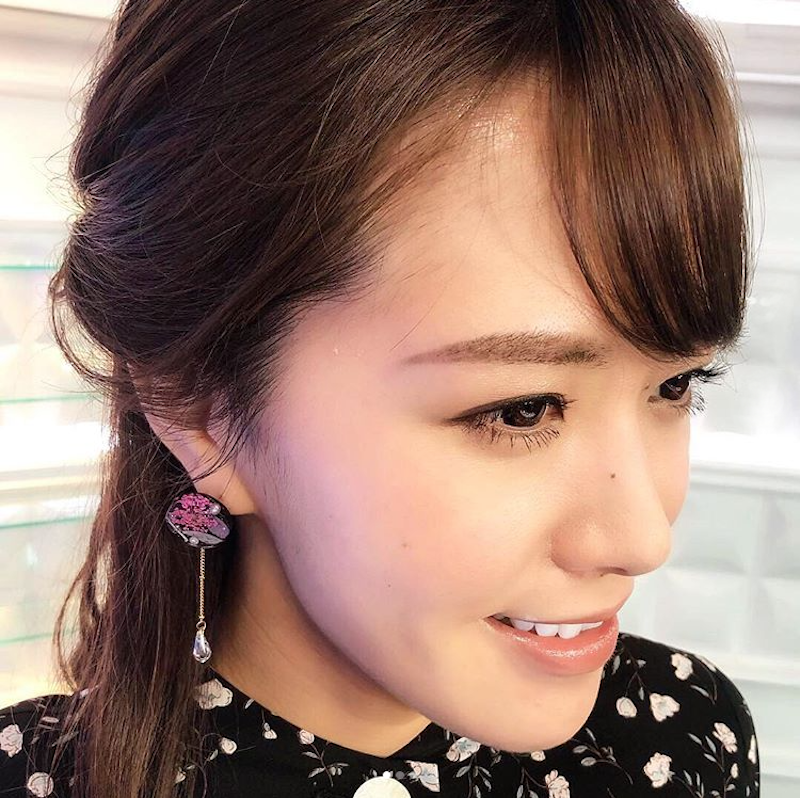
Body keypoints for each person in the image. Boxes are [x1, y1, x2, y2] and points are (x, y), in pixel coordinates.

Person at [0, 0, 761, 796]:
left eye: (675, 385)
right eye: (523, 409)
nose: (643, 539)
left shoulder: (682, 737)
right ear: (198, 410)